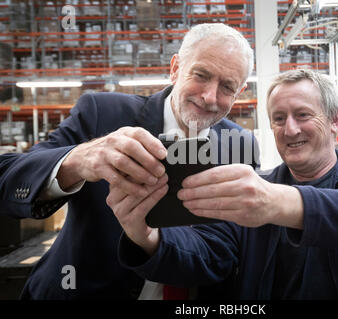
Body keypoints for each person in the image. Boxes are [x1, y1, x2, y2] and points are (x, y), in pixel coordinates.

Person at [0, 23, 259, 299]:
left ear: (240, 91)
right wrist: (77, 160)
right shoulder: (102, 114)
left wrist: (150, 240)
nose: (209, 96)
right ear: (175, 69)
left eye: (227, 87)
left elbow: (220, 254)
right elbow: (7, 178)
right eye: (201, 75)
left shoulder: (239, 147)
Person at [112, 69, 338, 299]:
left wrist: (273, 203)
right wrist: (145, 236)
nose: (290, 129)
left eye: (303, 115)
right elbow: (206, 253)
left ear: (335, 121)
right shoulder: (254, 191)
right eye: (279, 119)